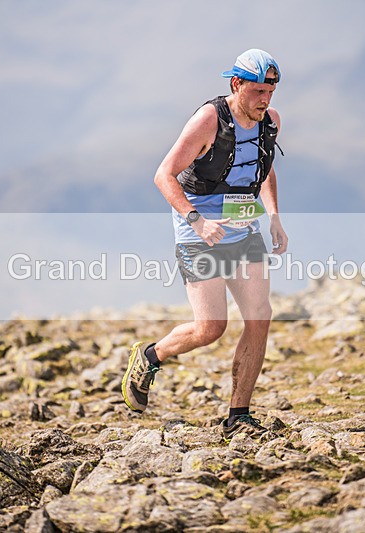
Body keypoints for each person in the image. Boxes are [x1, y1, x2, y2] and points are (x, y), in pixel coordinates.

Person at [121, 49, 288, 440]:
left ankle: (238, 415)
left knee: (260, 316)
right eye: (259, 91)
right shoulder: (209, 120)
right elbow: (164, 175)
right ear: (236, 85)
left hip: (245, 231)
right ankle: (150, 355)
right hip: (200, 232)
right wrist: (197, 222)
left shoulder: (270, 122)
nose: (266, 100)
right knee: (211, 327)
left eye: (271, 92)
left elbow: (262, 169)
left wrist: (275, 216)